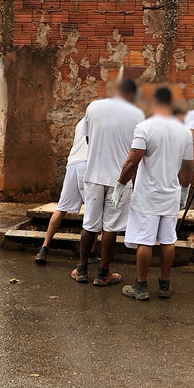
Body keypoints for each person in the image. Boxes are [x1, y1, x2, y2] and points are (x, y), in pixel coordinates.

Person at [117, 88, 194, 300]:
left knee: (145, 241)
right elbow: (188, 167)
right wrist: (184, 190)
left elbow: (133, 161)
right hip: (171, 194)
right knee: (168, 241)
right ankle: (164, 286)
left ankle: (141, 286)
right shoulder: (184, 132)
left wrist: (119, 184)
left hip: (148, 195)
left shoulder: (144, 128)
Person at [71, 80, 145, 286]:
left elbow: (87, 139)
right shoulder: (137, 115)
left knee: (89, 225)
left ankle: (82, 268)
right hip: (120, 179)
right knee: (110, 228)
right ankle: (103, 273)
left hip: (94, 174)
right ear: (132, 95)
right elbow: (135, 149)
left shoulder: (93, 107)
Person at [35, 117, 97, 264]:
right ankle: (92, 252)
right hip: (87, 164)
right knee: (92, 211)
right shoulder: (101, 120)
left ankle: (44, 248)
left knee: (61, 208)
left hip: (73, 164)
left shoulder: (81, 122)